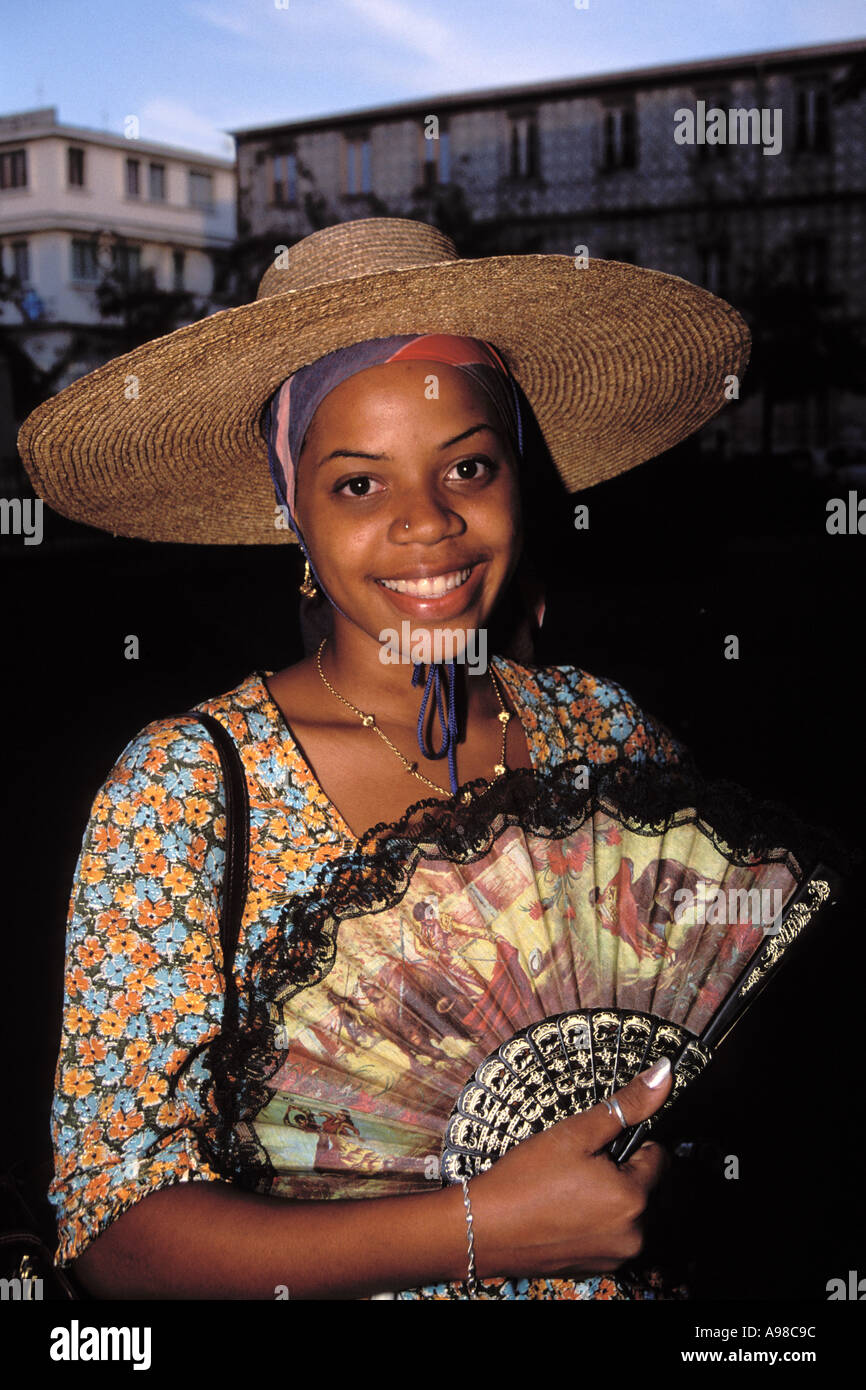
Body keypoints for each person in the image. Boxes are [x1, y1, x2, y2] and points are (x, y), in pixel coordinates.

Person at [17, 216, 750, 1300]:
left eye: (467, 465)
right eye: (359, 484)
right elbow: (117, 1232)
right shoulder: (188, 785)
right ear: (294, 512)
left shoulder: (606, 728)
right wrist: (480, 1230)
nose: (428, 524)